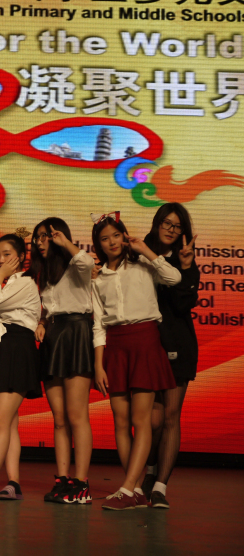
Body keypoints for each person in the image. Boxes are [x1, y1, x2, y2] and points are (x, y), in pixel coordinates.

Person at [90, 212, 181, 511]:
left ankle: (128, 488)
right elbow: (98, 325)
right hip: (116, 347)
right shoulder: (98, 278)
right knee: (120, 421)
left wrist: (146, 250)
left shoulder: (143, 263)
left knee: (142, 421)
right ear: (99, 244)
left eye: (116, 235)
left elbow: (174, 278)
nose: (112, 242)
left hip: (145, 341)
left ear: (124, 236)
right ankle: (136, 488)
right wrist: (99, 365)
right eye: (105, 239)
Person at [30, 218, 95, 505]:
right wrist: (43, 322)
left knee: (77, 415)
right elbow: (49, 307)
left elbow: (88, 263)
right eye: (37, 238)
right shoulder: (43, 272)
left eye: (45, 236)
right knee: (59, 419)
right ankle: (63, 479)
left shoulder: (75, 265)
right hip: (54, 337)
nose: (40, 242)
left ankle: (82, 483)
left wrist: (65, 242)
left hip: (77, 332)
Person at [141, 204, 199, 509]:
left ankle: (160, 486)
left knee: (170, 417)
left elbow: (184, 304)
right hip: (147, 346)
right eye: (167, 223)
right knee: (151, 420)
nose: (171, 230)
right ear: (157, 223)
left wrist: (186, 267)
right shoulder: (139, 254)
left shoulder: (184, 260)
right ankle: (149, 471)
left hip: (178, 345)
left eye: (177, 226)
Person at [0, 231, 42, 501]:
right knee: (9, 422)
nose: (1, 260)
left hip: (17, 347)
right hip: (2, 347)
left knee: (0, 420)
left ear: (22, 257)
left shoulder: (24, 282)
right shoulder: (7, 283)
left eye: (7, 255)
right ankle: (13, 482)